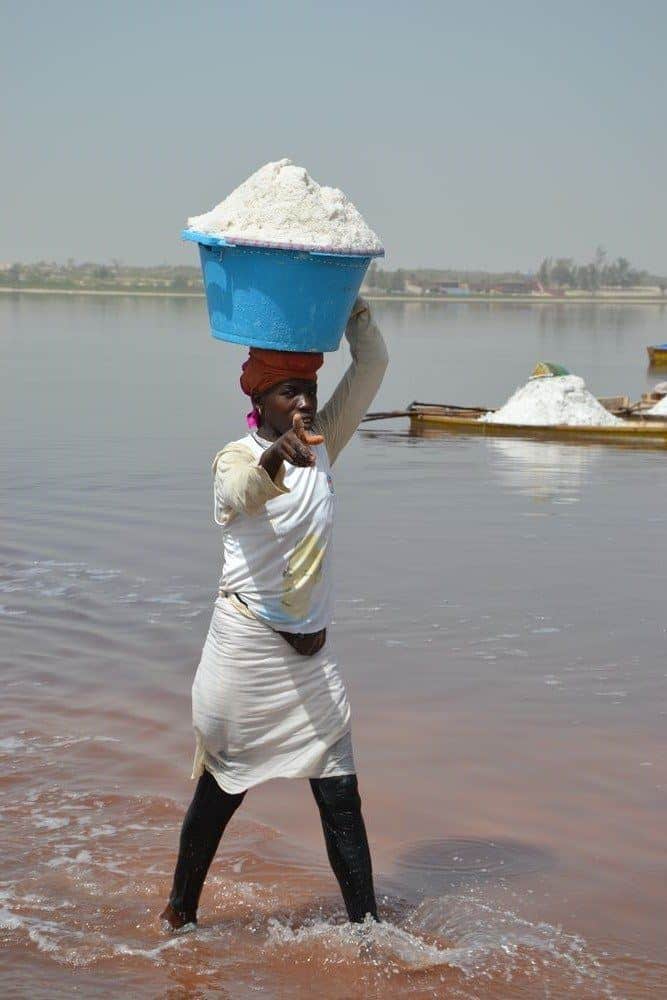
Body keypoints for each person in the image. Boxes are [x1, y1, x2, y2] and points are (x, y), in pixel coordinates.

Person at [160, 298, 388, 929]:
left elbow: (373, 362)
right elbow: (238, 493)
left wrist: (346, 304)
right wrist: (274, 456)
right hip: (246, 655)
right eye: (290, 392)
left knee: (341, 794)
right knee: (223, 789)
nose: (306, 404)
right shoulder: (233, 458)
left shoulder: (324, 443)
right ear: (257, 399)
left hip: (314, 661)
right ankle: (179, 916)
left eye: (310, 389)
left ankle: (368, 935)